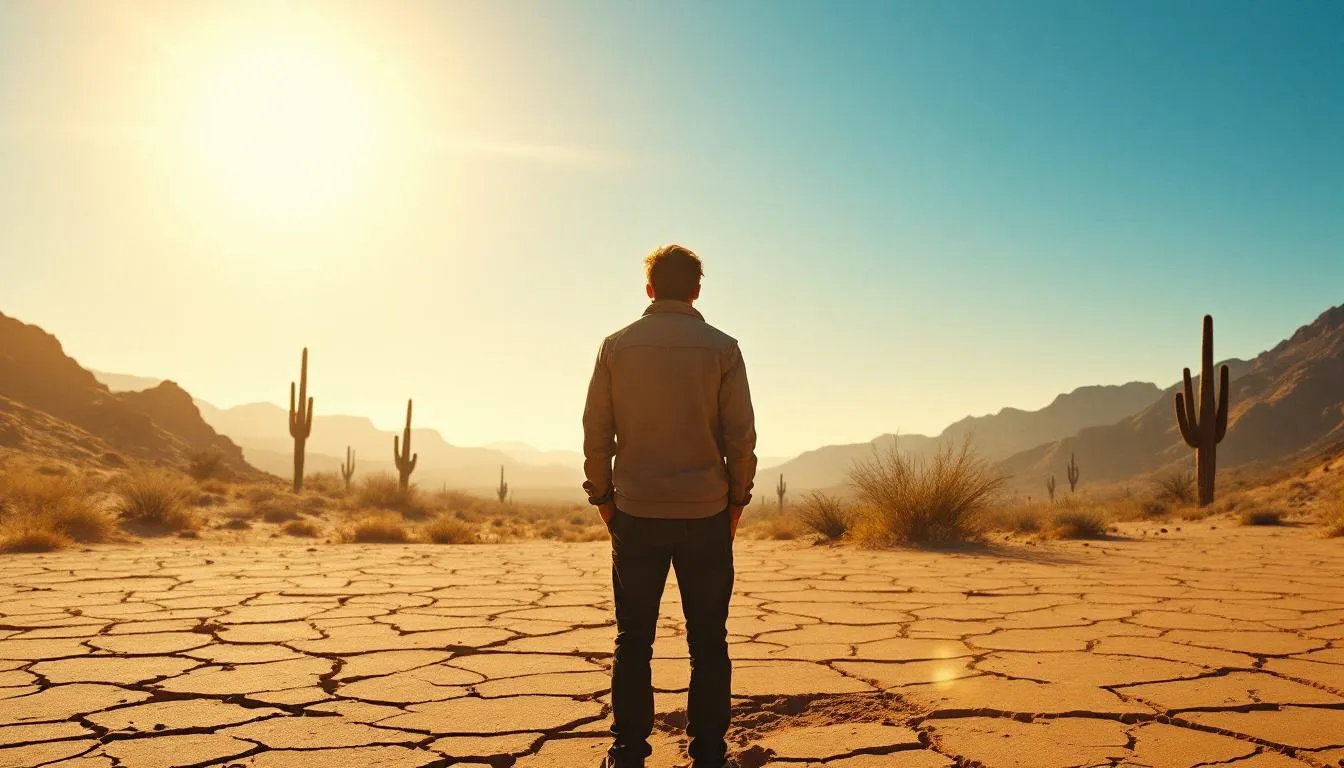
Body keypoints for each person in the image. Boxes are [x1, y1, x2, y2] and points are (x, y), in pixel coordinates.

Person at [582, 244, 758, 768]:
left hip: (635, 512)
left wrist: (603, 498)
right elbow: (741, 437)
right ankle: (708, 754)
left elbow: (597, 431)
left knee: (634, 638)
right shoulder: (723, 349)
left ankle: (628, 753)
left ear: (650, 289)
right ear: (697, 290)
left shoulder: (616, 347)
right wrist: (736, 501)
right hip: (705, 514)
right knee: (709, 640)